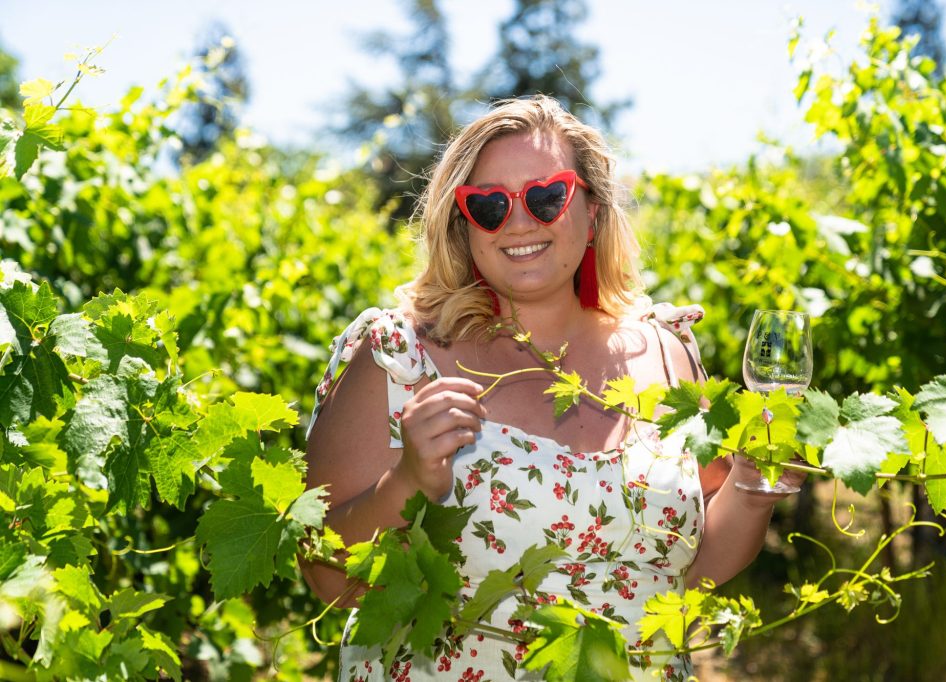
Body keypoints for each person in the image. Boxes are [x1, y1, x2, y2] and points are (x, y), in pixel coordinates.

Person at [302, 95, 806, 681]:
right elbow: (328, 579)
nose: (518, 221)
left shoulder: (668, 356)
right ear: (464, 226)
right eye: (488, 205)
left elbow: (683, 577)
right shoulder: (398, 358)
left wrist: (748, 490)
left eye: (546, 197)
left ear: (591, 211)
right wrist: (408, 482)